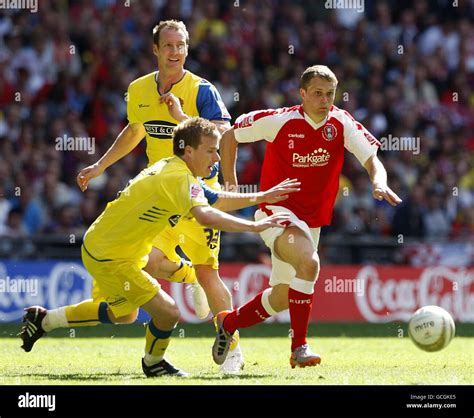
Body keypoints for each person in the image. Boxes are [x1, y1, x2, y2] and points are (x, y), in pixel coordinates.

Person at [20, 117, 299, 377]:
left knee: (123, 314)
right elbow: (206, 215)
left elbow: (215, 199)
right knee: (168, 312)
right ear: (188, 151)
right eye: (211, 151)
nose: (216, 159)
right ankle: (154, 364)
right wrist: (254, 227)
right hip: (111, 255)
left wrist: (262, 196)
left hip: (108, 246)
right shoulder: (178, 179)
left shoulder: (174, 168)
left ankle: (43, 320)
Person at [74, 20, 242, 373]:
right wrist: (101, 166)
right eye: (169, 45)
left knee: (209, 273)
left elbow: (225, 136)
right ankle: (187, 279)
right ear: (156, 49)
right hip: (159, 196)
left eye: (181, 45)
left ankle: (232, 351)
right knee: (146, 261)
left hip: (197, 191)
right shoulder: (138, 90)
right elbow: (135, 131)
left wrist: (228, 178)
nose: (176, 52)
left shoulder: (202, 90)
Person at [214, 65, 402, 368]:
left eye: (330, 94)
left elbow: (371, 158)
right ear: (302, 94)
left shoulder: (341, 123)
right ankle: (299, 348)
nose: (325, 100)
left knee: (281, 296)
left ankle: (228, 323)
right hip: (276, 211)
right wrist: (230, 182)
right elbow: (230, 135)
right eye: (317, 93)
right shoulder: (280, 120)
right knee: (310, 263)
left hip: (311, 221)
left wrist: (379, 182)